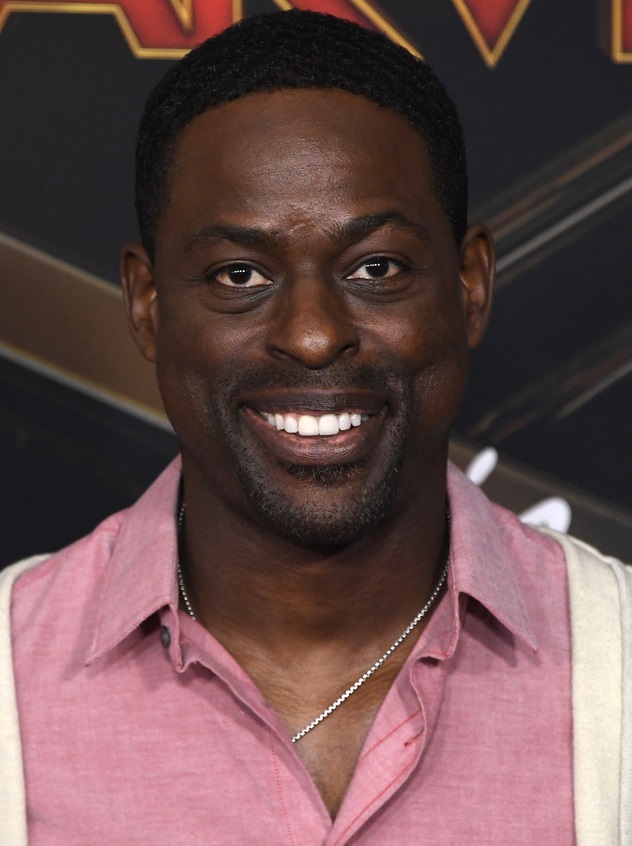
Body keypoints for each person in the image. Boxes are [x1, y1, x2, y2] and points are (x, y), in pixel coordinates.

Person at [1, 10, 630, 844]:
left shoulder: (620, 664)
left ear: (470, 285)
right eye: (239, 274)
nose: (310, 334)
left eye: (376, 267)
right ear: (148, 306)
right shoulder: (11, 676)